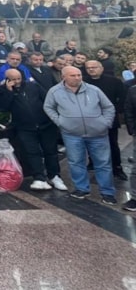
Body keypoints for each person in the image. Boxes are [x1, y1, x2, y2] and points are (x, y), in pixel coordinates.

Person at [43, 66, 116, 204]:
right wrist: (60, 122)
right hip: (72, 134)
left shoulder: (94, 90)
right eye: (73, 75)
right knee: (76, 162)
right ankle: (81, 188)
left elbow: (108, 107)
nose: (77, 78)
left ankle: (107, 192)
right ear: (63, 77)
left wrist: (105, 123)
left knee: (103, 163)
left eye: (79, 75)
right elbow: (48, 107)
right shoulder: (54, 91)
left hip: (98, 133)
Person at [0, 69, 67, 191]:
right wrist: (9, 92)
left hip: (45, 124)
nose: (17, 81)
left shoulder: (33, 86)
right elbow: (4, 107)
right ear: (7, 79)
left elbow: (47, 100)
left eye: (18, 78)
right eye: (13, 79)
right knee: (32, 152)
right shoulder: (2, 91)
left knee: (50, 151)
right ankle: (39, 177)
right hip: (24, 127)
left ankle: (54, 176)